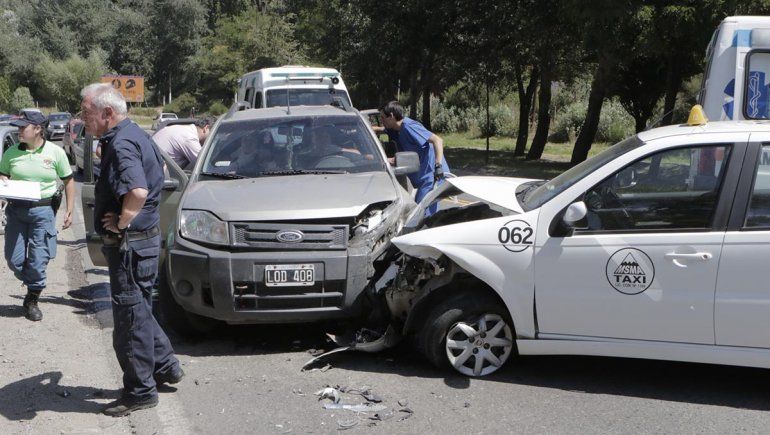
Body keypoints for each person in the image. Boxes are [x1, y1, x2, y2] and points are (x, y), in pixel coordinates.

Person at [80, 83, 184, 417]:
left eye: (86, 113)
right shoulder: (136, 135)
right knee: (139, 309)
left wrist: (123, 221)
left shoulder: (122, 143)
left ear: (107, 113)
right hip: (142, 243)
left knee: (129, 321)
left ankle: (139, 391)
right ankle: (166, 366)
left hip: (130, 246)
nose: (83, 120)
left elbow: (137, 191)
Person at [0, 110, 74, 321]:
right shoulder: (12, 152)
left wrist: (69, 209)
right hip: (16, 211)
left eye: (24, 127)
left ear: (38, 129)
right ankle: (33, 279)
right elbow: (3, 173)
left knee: (38, 259)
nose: (20, 131)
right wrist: (4, 179)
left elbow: (68, 180)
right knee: (13, 260)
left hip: (43, 212)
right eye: (19, 127)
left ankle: (32, 298)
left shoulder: (55, 152)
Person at [373, 101, 449, 215]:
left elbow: (438, 140)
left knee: (421, 213)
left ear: (392, 116)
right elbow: (380, 129)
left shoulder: (409, 127)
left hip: (432, 176)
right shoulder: (395, 129)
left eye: (383, 118)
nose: (382, 121)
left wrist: (438, 166)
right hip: (423, 177)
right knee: (422, 213)